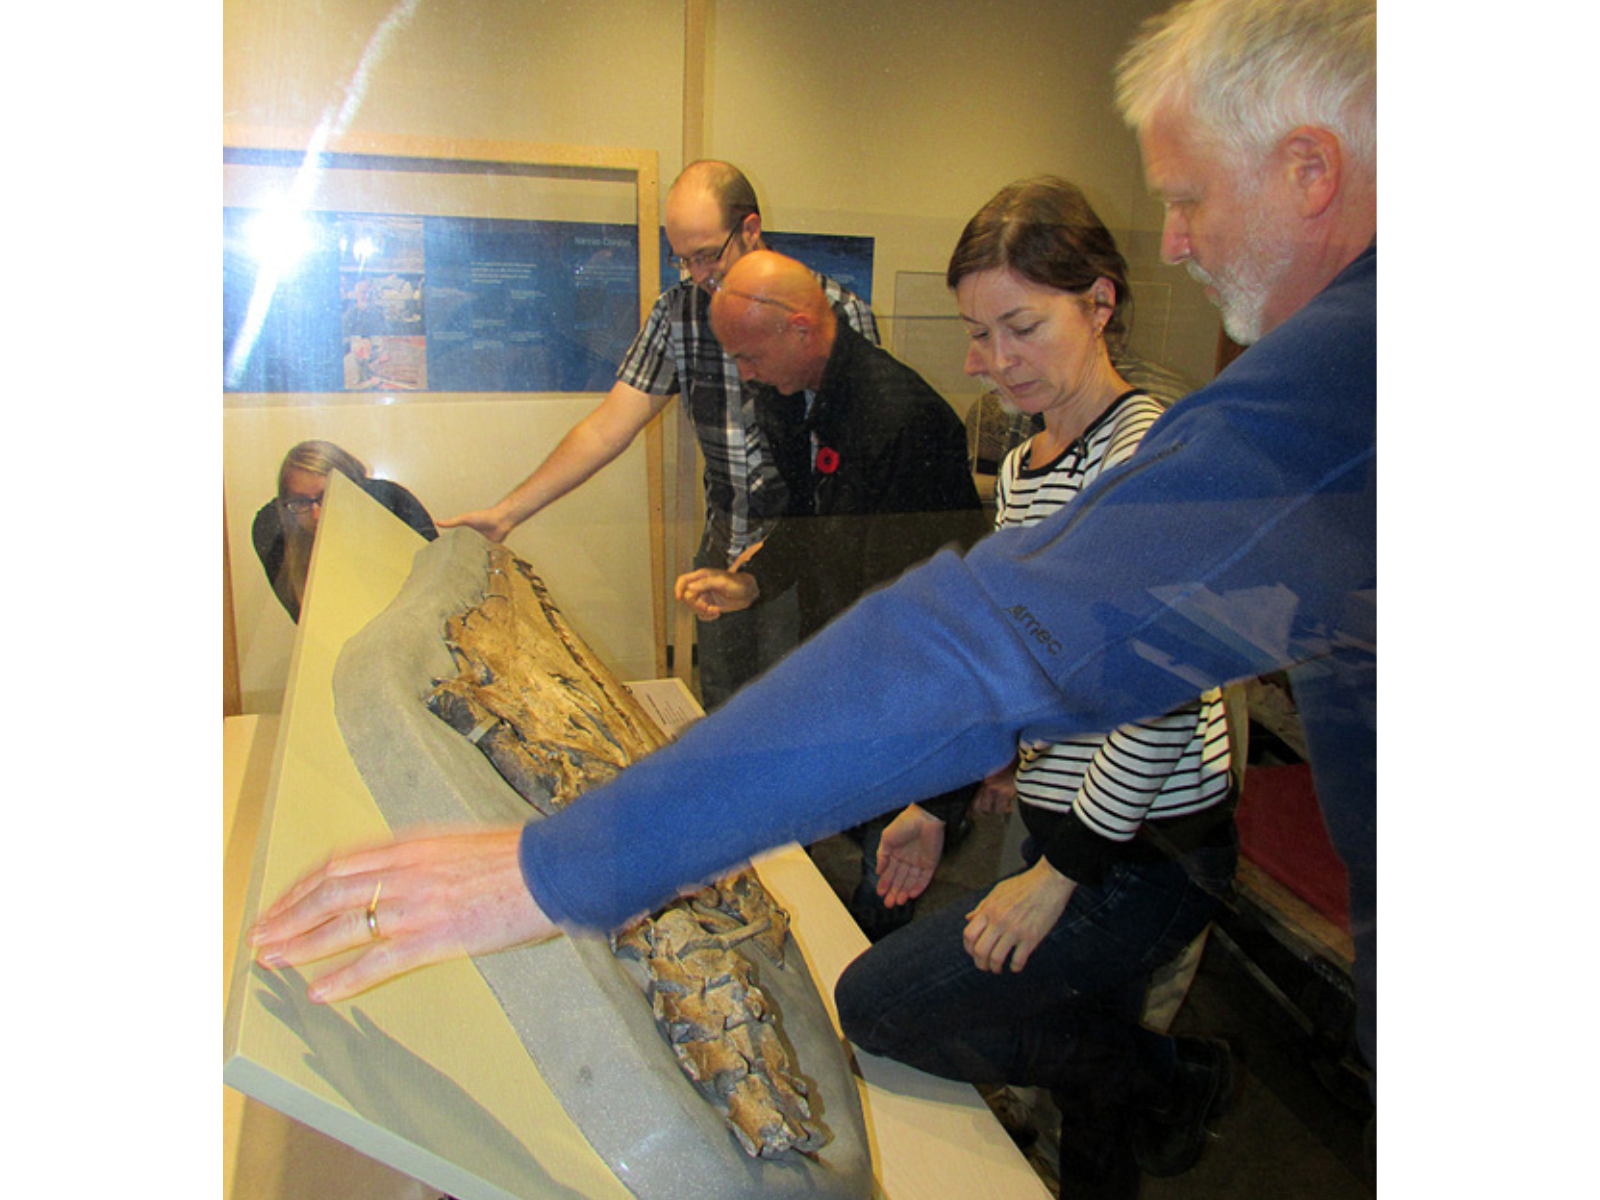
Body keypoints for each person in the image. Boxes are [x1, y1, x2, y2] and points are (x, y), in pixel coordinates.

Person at [251, 0, 1377, 1121]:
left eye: (1183, 198)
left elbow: (994, 645)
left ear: (1307, 168)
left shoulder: (1297, 401)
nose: (1173, 238)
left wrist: (576, 861)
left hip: (1132, 846)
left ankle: (1167, 1094)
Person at [832, 177, 1235, 1196]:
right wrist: (941, 800)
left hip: (1144, 848)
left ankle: (1172, 1078)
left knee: (882, 1003)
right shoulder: (1022, 468)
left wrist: (1053, 874)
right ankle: (1137, 1098)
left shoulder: (1154, 453)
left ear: (1099, 303)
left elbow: (1161, 698)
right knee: (1085, 1063)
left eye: (1021, 326)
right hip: (1064, 819)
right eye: (979, 334)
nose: (995, 361)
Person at [440, 160, 879, 710]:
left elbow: (859, 477)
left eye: (706, 255)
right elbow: (607, 428)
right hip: (725, 546)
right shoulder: (679, 313)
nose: (696, 274)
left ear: (750, 229)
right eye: (683, 258)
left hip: (806, 555)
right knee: (725, 710)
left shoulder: (835, 313)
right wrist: (507, 513)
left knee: (802, 714)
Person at [675, 249, 990, 939]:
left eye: (751, 357)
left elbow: (899, 592)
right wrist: (751, 579)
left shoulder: (897, 418)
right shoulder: (786, 391)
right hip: (847, 636)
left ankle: (879, 938)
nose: (745, 375)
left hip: (909, 650)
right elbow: (809, 516)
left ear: (800, 329)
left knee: (894, 827)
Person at [251, 440, 438, 623]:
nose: (316, 515)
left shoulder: (392, 505)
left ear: (355, 491)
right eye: (301, 502)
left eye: (328, 496)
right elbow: (313, 625)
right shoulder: (273, 533)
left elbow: (438, 589)